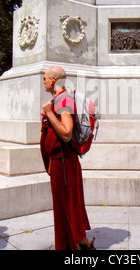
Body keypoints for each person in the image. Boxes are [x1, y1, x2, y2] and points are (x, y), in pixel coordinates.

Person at [40, 66, 94, 250]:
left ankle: (71, 247)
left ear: (53, 80)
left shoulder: (63, 100)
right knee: (69, 205)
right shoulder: (59, 100)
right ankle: (83, 244)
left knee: (65, 208)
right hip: (61, 163)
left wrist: (48, 114)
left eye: (45, 78)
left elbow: (66, 134)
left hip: (63, 163)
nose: (43, 81)